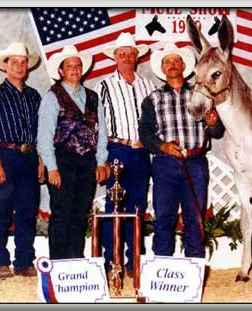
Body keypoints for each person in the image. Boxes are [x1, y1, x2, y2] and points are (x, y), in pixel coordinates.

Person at [139, 43, 224, 259]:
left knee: (194, 217)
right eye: (168, 62)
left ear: (184, 66)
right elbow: (145, 134)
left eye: (176, 61)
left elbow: (215, 131)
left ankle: (192, 272)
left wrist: (213, 123)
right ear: (163, 68)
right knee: (164, 217)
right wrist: (162, 146)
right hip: (165, 164)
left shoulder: (201, 94)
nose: (173, 65)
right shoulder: (153, 98)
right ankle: (162, 267)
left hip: (195, 163)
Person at [37, 45, 108, 260]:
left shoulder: (94, 97)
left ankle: (75, 262)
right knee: (61, 215)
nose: (75, 69)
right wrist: (52, 168)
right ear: (60, 71)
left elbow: (102, 131)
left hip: (87, 162)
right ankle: (58, 264)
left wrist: (101, 161)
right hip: (62, 161)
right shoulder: (52, 97)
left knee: (79, 214)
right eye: (70, 66)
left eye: (78, 65)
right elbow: (44, 136)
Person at [95, 33, 156, 278]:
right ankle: (111, 261)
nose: (127, 58)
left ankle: (134, 261)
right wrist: (102, 159)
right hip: (117, 149)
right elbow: (98, 125)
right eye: (122, 54)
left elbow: (154, 123)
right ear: (115, 58)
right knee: (114, 206)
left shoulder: (148, 85)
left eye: (131, 53)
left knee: (138, 207)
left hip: (141, 152)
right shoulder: (104, 86)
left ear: (137, 57)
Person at [0, 42, 44, 279]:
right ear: (6, 66)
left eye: (23, 62)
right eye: (14, 62)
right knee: (1, 210)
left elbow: (40, 132)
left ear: (27, 66)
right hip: (5, 156)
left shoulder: (33, 96)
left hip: (29, 156)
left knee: (27, 211)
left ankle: (24, 262)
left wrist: (40, 161)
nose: (19, 66)